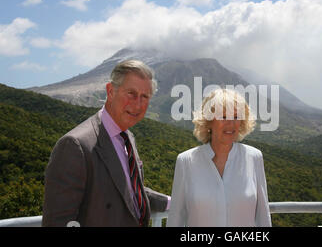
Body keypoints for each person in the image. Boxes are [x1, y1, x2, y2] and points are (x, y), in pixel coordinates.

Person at [42, 60, 170, 227]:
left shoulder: (128, 137)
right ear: (110, 91)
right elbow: (57, 222)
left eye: (144, 96)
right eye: (131, 93)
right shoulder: (75, 146)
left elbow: (128, 190)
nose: (138, 104)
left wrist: (174, 201)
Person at [167, 88, 272, 227]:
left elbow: (263, 217)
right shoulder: (186, 161)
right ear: (209, 121)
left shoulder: (254, 158)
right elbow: (176, 219)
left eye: (236, 117)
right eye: (223, 117)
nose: (231, 123)